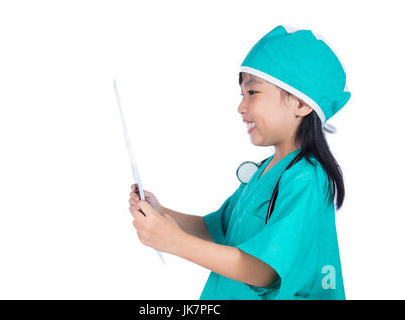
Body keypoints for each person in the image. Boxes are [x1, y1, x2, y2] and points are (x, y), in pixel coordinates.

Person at [128, 24, 350, 300]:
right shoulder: (264, 172)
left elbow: (264, 270)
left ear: (301, 104)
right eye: (241, 95)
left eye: (253, 93)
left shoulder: (307, 178)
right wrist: (161, 212)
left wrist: (175, 242)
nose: (241, 107)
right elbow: (219, 230)